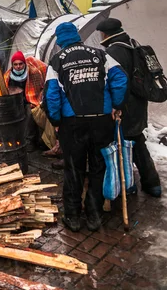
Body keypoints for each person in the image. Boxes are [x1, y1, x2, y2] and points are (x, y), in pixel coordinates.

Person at [44, 22, 128, 233]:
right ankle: (94, 214)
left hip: (73, 124)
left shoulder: (56, 62)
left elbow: (51, 96)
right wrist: (116, 105)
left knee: (74, 169)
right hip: (102, 120)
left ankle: (72, 216)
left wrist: (56, 122)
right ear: (77, 36)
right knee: (99, 167)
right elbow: (120, 78)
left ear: (60, 41)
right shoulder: (100, 55)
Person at [96, 18, 166, 198]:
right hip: (139, 103)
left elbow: (117, 82)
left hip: (125, 106)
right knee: (136, 142)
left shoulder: (113, 52)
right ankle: (151, 183)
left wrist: (116, 106)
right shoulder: (133, 44)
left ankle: (132, 184)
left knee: (125, 145)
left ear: (106, 34)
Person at [4, 51, 56, 152]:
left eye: (20, 64)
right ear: (12, 65)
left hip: (32, 99)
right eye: (15, 64)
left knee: (30, 112)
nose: (18, 66)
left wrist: (39, 98)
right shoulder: (8, 76)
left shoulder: (33, 72)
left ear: (24, 64)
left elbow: (42, 87)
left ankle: (30, 141)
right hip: (16, 101)